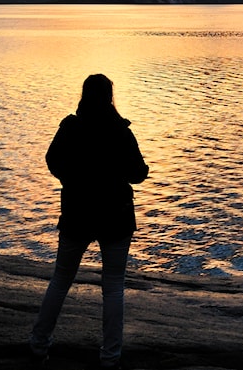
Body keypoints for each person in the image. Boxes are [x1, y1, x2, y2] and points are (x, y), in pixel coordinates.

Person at [30, 74, 149, 368]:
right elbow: (138, 173)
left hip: (77, 212)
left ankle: (38, 346)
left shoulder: (70, 127)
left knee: (60, 280)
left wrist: (72, 180)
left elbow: (52, 160)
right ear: (110, 97)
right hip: (116, 215)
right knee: (113, 286)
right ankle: (110, 357)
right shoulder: (121, 131)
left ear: (84, 95)